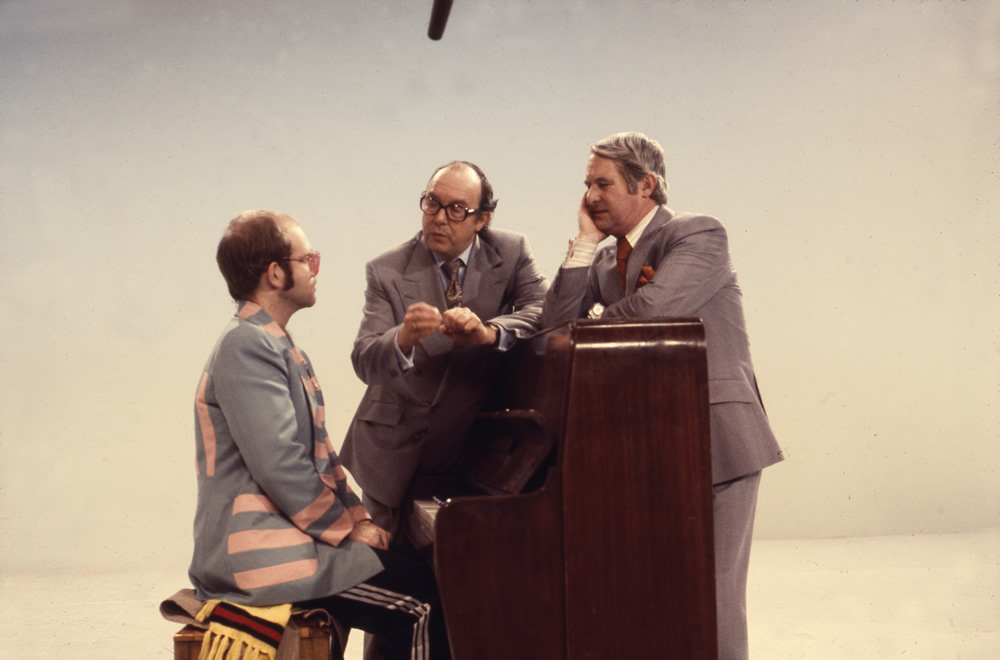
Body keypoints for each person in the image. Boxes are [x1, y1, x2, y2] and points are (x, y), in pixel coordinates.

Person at [541, 132, 784, 660]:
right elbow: (552, 330)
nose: (591, 196)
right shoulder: (604, 262)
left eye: (603, 183)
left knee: (712, 595)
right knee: (660, 595)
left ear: (646, 184)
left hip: (717, 440)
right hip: (651, 447)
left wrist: (596, 320)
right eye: (587, 185)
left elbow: (655, 314)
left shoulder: (697, 233)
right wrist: (583, 245)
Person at [190, 210, 451, 660]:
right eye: (307, 258)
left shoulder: (278, 344)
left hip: (287, 538)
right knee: (420, 601)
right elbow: (281, 466)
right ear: (275, 273)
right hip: (254, 556)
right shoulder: (246, 345)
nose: (315, 268)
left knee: (416, 575)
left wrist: (361, 519)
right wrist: (345, 531)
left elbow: (323, 458)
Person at [340, 161, 548, 542]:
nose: (439, 218)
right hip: (389, 450)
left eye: (456, 210)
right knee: (388, 573)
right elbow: (364, 359)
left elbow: (544, 311)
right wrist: (403, 338)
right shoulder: (385, 269)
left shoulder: (512, 250)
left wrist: (490, 333)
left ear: (482, 219)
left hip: (464, 450)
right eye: (431, 203)